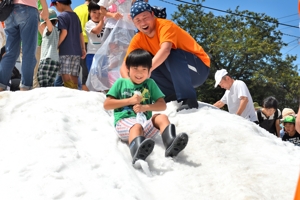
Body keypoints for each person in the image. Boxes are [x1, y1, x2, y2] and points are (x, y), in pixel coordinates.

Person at [119, 1, 210, 112]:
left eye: (145, 17)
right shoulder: (138, 39)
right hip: (177, 74)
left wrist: (145, 72)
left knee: (170, 54)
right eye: (138, 20)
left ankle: (189, 99)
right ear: (134, 23)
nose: (142, 22)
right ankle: (170, 96)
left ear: (152, 14)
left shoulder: (165, 25)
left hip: (199, 69)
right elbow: (124, 66)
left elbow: (166, 50)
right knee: (144, 61)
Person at [103, 49, 188, 164]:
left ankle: (171, 142)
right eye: (135, 69)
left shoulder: (150, 83)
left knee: (161, 117)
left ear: (149, 72)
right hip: (125, 123)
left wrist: (145, 107)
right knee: (136, 126)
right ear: (128, 68)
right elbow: (107, 104)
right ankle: (137, 152)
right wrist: (129, 101)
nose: (139, 73)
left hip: (145, 124)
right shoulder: (121, 82)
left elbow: (162, 105)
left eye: (144, 69)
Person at [0, 0, 49, 91]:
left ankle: (1, 86)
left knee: (10, 52)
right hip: (27, 7)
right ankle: (25, 88)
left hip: (8, 10)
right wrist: (45, 9)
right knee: (28, 51)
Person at [51, 0, 86, 89]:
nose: (56, 8)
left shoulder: (62, 16)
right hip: (76, 51)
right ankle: (75, 91)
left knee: (64, 73)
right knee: (74, 75)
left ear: (58, 3)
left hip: (65, 50)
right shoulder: (76, 16)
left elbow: (64, 32)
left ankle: (69, 92)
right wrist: (83, 48)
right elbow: (80, 33)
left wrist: (56, 45)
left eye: (55, 6)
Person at [37, 9, 60, 87]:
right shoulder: (58, 31)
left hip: (47, 60)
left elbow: (49, 27)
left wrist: (46, 18)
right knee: (50, 86)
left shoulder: (48, 29)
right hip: (55, 62)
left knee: (43, 85)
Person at [74, 0, 90, 91]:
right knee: (86, 69)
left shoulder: (76, 9)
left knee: (76, 68)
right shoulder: (94, 9)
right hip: (89, 41)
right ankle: (85, 90)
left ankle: (74, 89)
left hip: (77, 41)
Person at [85, 1, 104, 72]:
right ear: (89, 12)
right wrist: (102, 19)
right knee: (93, 76)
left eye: (99, 13)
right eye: (94, 12)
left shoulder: (106, 24)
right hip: (92, 54)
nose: (96, 15)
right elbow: (97, 31)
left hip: (104, 55)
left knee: (103, 77)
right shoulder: (89, 24)